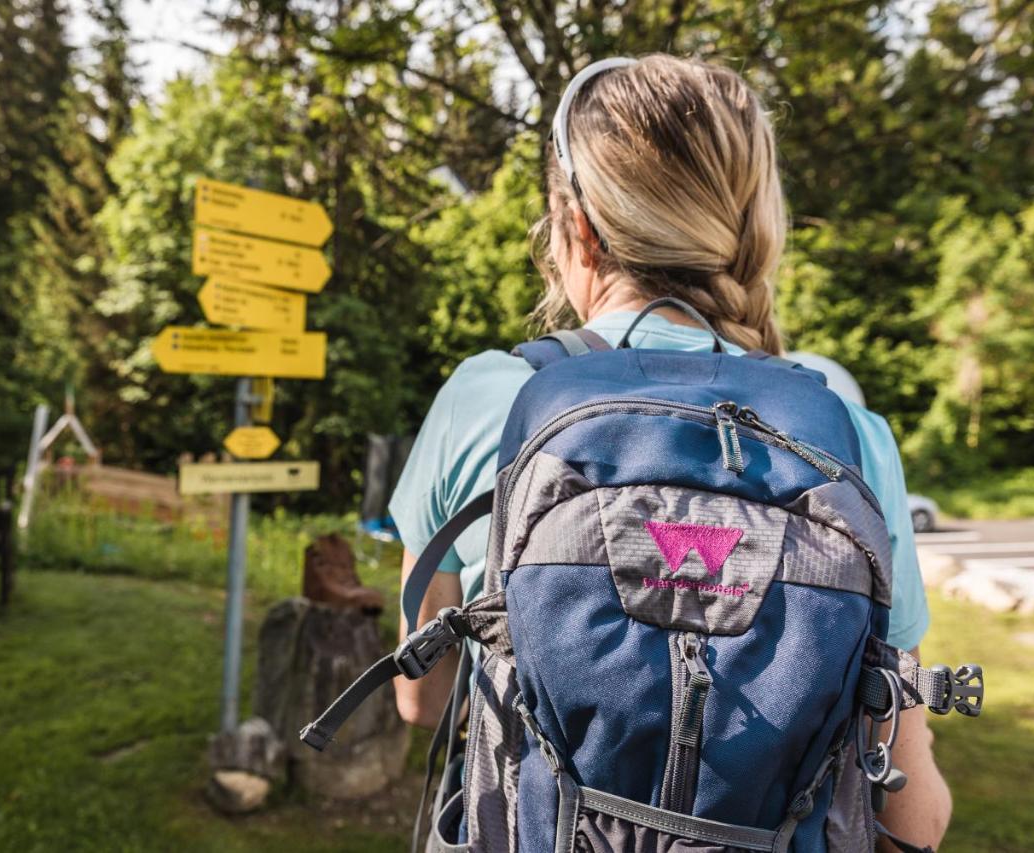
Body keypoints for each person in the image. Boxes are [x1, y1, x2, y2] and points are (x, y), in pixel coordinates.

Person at [388, 54, 951, 850]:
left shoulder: (488, 395)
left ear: (575, 225)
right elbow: (910, 804)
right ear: (749, 225)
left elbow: (421, 696)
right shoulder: (840, 425)